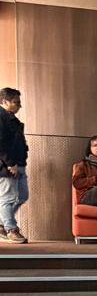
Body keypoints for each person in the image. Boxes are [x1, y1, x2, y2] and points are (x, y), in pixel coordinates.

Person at [0, 87, 28, 243]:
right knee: (8, 198)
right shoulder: (0, 117)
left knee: (22, 196)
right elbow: (1, 144)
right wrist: (10, 163)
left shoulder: (12, 119)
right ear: (4, 102)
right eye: (16, 102)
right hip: (7, 166)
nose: (19, 106)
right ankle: (11, 229)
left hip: (19, 163)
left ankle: (1, 223)